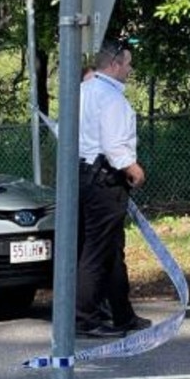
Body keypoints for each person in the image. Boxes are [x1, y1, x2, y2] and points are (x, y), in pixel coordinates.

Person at [76, 38, 151, 339]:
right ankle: (84, 318)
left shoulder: (81, 92)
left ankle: (122, 314)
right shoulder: (111, 98)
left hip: (82, 177)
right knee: (96, 251)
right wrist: (133, 169)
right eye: (128, 63)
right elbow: (113, 145)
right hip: (105, 179)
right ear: (115, 64)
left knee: (110, 249)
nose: (130, 70)